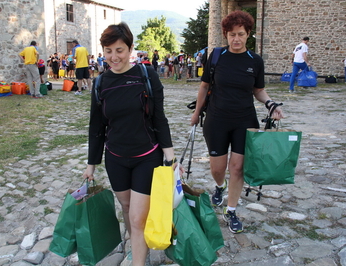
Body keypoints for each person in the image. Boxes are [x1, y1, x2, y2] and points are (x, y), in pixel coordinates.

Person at [82, 22, 182, 266]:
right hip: (115, 157)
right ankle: (136, 246)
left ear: (130, 49)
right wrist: (91, 165)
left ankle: (138, 260)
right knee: (127, 208)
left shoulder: (146, 76)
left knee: (138, 217)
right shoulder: (100, 83)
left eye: (119, 50)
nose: (114, 57)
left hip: (146, 156)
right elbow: (97, 127)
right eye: (108, 51)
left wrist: (170, 157)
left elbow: (159, 117)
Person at [190, 10, 284, 234]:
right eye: (232, 34)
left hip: (244, 120)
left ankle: (231, 210)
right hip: (216, 119)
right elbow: (204, 86)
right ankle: (219, 186)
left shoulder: (255, 61)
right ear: (226, 34)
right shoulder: (216, 56)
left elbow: (258, 90)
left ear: (248, 34)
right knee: (218, 168)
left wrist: (271, 104)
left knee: (238, 167)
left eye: (241, 34)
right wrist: (197, 113)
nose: (236, 39)